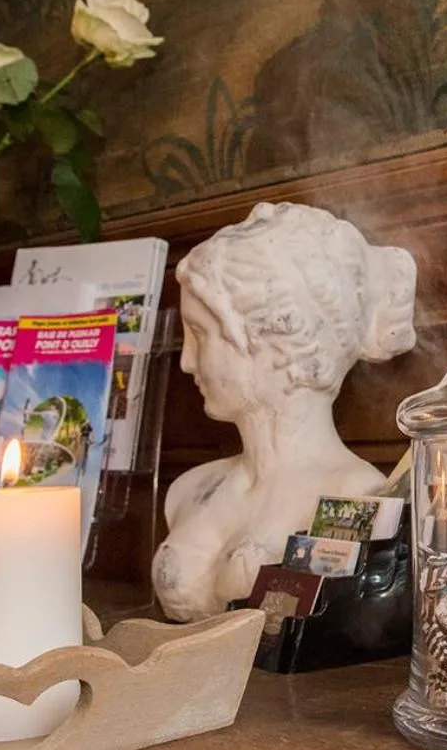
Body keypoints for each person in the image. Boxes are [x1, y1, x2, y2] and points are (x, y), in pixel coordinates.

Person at [153, 203, 416, 620]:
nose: (185, 361)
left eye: (201, 336)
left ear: (277, 346)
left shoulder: (356, 497)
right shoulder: (190, 488)